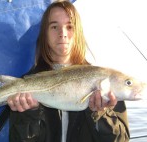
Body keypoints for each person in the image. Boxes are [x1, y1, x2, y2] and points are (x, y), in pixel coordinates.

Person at [7, 1, 130, 142]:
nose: (62, 33)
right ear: (44, 34)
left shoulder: (105, 84)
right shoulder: (26, 83)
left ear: (78, 32)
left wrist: (102, 115)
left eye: (69, 26)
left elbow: (121, 140)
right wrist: (29, 114)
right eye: (54, 27)